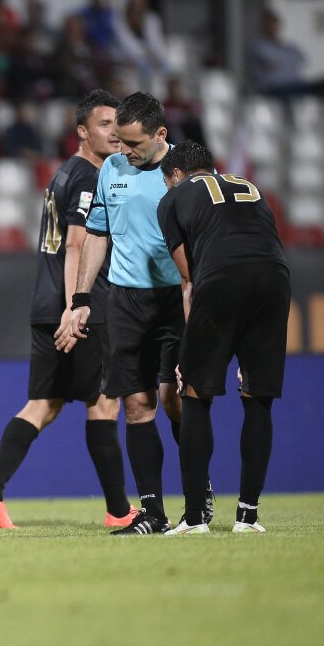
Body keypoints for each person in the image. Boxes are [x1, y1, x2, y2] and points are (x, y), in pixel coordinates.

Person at [0, 90, 136, 531]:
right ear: (82, 131)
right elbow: (77, 245)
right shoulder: (87, 177)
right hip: (81, 307)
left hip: (46, 304)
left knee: (43, 405)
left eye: (117, 124)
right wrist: (76, 307)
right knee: (104, 405)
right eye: (105, 124)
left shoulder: (63, 174)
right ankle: (120, 512)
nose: (115, 132)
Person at [64, 91, 210, 535]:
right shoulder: (111, 169)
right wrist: (82, 299)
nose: (122, 150)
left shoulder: (190, 174)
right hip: (126, 301)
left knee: (178, 400)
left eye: (132, 144)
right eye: (118, 141)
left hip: (177, 298)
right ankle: (152, 513)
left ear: (160, 135)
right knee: (136, 405)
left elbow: (209, 239)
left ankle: (197, 503)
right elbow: (96, 235)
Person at [156, 141, 290, 534]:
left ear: (177, 174)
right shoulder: (250, 185)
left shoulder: (174, 198)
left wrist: (188, 349)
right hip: (274, 279)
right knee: (258, 395)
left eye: (168, 182)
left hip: (220, 280)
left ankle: (196, 517)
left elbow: (188, 279)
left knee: (195, 394)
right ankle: (248, 516)